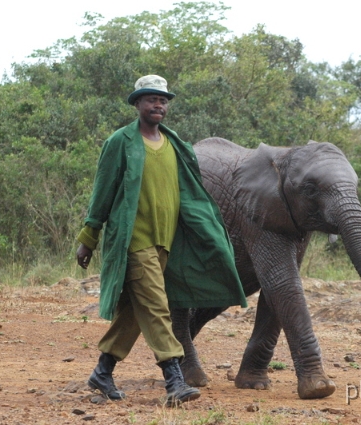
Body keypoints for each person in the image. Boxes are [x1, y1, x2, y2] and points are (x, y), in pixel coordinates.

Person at [75, 74, 246, 407]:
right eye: (151, 99)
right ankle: (175, 379)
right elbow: (103, 193)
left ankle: (102, 371)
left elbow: (191, 193)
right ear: (137, 103)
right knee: (156, 308)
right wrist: (88, 238)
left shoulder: (174, 143)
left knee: (135, 310)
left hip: (165, 243)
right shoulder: (121, 142)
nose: (158, 105)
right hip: (134, 242)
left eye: (163, 100)